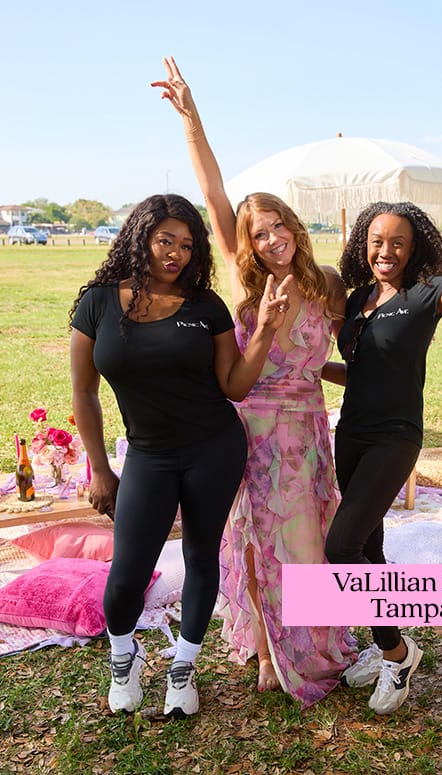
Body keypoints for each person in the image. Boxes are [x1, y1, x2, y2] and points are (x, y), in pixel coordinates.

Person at [152, 57, 357, 707]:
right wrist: (193, 119)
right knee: (258, 536)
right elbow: (214, 193)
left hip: (310, 432)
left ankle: (314, 631)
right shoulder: (248, 281)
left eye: (278, 226)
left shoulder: (328, 286)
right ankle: (268, 646)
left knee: (309, 539)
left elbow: (334, 361)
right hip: (255, 432)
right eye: (258, 232)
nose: (271, 239)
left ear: (295, 228)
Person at [69, 193, 292, 717]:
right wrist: (100, 468)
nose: (176, 254)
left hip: (214, 448)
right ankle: (125, 657)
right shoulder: (99, 302)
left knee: (199, 557)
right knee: (126, 573)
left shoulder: (205, 306)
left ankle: (183, 669)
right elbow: (84, 391)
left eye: (187, 245)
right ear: (140, 237)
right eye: (165, 240)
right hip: (148, 455)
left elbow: (235, 387)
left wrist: (264, 331)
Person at [322, 174, 442, 714]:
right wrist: (311, 368)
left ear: (414, 248)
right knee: (370, 549)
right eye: (377, 242)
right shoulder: (358, 297)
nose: (386, 252)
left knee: (340, 549)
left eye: (398, 243)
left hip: (395, 438)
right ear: (364, 244)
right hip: (352, 434)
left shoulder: (430, 291)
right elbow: (362, 371)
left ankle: (397, 650)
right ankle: (385, 641)